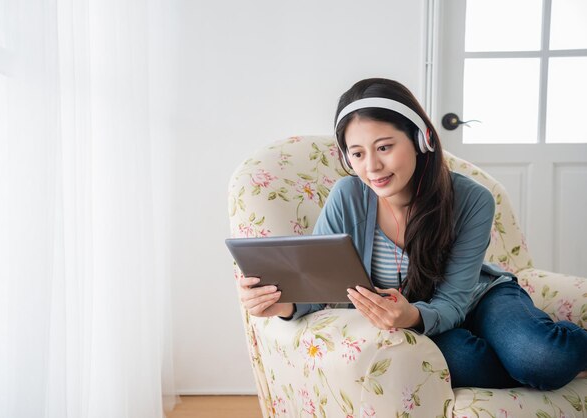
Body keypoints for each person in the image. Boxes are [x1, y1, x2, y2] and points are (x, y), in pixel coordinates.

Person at [238, 78, 587, 390]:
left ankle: (555, 346)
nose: (371, 167)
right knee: (464, 361)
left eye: (384, 147)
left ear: (422, 139)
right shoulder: (348, 197)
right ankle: (522, 355)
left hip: (480, 297)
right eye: (357, 153)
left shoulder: (472, 199)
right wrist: (282, 303)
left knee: (541, 359)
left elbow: (453, 300)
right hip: (420, 321)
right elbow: (320, 282)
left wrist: (412, 316)